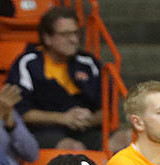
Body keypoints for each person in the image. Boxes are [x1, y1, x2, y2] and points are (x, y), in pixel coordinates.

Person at [6, 6, 103, 150]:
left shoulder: (88, 62)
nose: (74, 39)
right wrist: (62, 118)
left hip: (86, 129)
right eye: (65, 34)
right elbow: (20, 112)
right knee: (74, 148)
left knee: (126, 139)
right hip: (45, 131)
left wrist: (90, 119)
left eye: (76, 33)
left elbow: (108, 110)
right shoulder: (28, 63)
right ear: (47, 38)